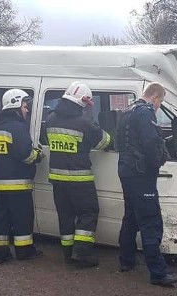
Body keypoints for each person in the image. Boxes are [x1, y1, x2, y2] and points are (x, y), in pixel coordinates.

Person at [116, 82, 177, 286]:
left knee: (130, 217)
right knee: (150, 221)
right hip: (141, 174)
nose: (159, 106)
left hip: (126, 171)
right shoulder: (145, 112)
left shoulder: (127, 111)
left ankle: (126, 261)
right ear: (155, 97)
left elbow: (121, 142)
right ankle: (158, 273)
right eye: (160, 102)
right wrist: (159, 161)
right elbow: (150, 143)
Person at [45, 81, 112, 267]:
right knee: (88, 213)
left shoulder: (50, 118)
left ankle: (68, 254)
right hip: (79, 179)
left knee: (65, 216)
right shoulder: (84, 121)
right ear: (84, 100)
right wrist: (90, 116)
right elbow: (105, 143)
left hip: (57, 179)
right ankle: (82, 254)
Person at [0, 89, 43, 264]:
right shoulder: (17, 127)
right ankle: (25, 251)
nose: (27, 110)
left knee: (0, 220)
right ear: (16, 106)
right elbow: (27, 156)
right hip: (17, 185)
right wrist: (39, 154)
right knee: (22, 219)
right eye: (25, 106)